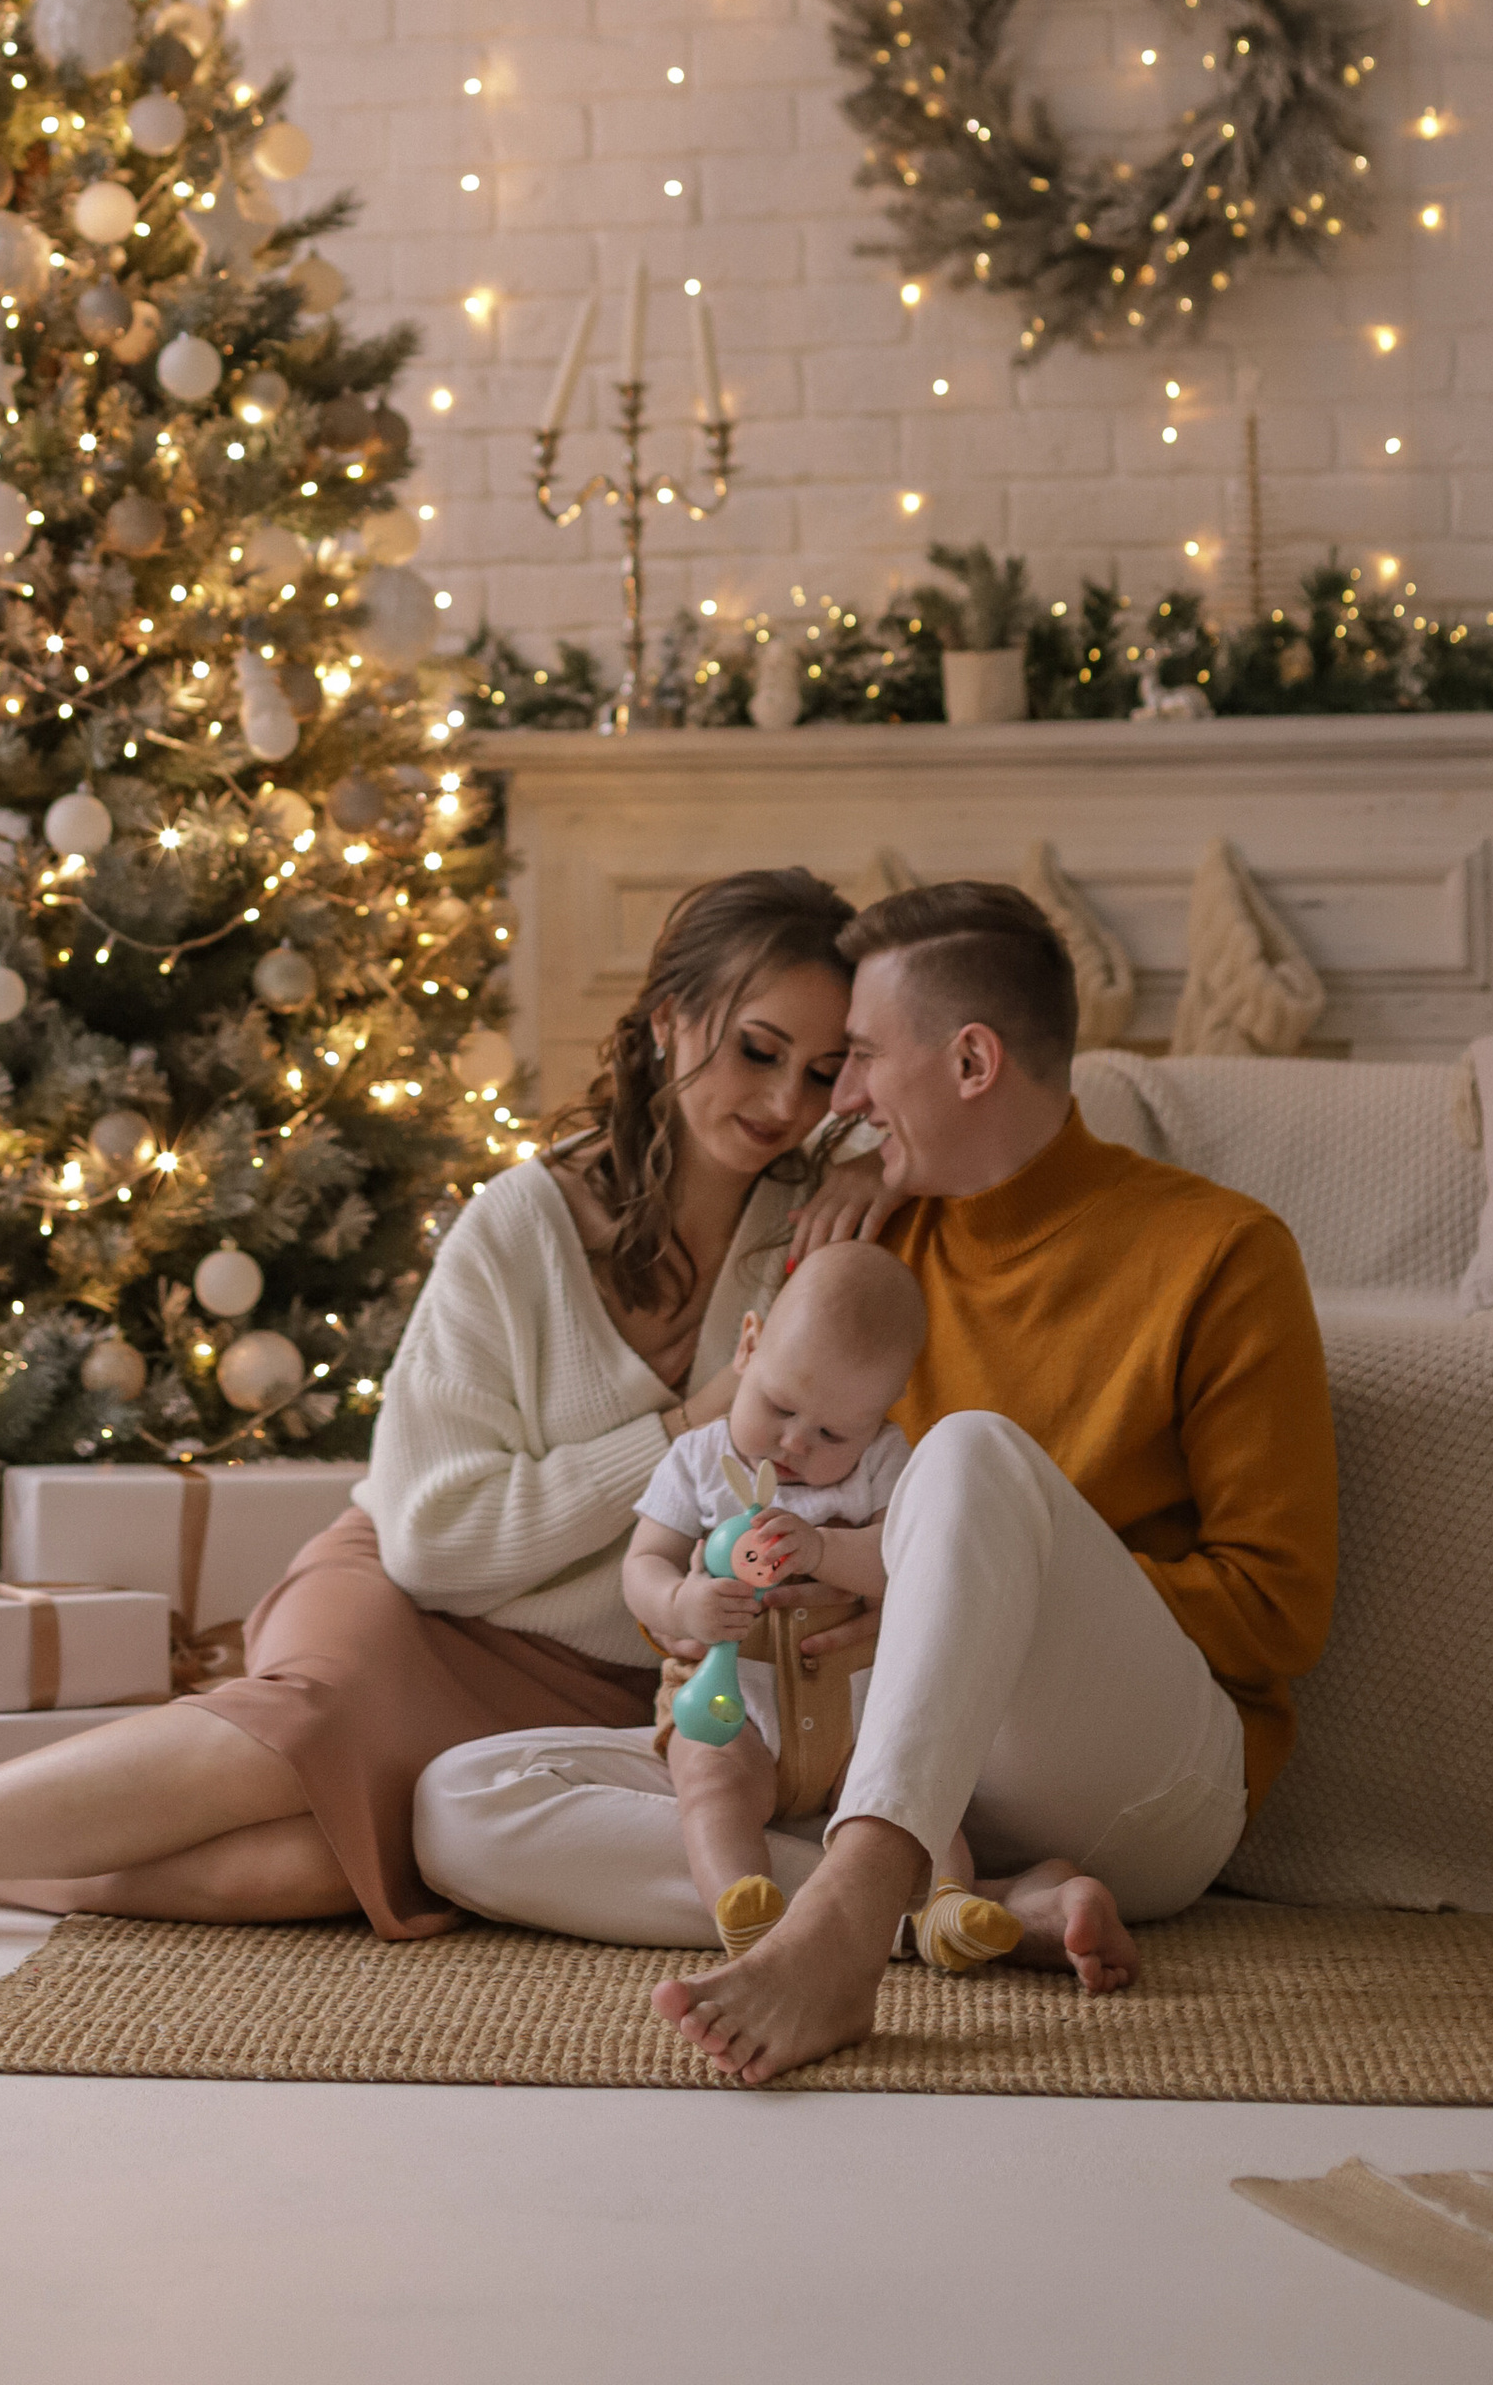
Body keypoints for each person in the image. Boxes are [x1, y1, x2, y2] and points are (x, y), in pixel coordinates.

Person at [0, 864, 880, 1954]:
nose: (781, 1104)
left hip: (605, 1680)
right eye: (756, 1049)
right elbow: (437, 1537)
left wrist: (880, 1167)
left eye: (824, 1074)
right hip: (410, 1603)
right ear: (668, 1024)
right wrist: (680, 1424)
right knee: (304, 1729)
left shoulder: (811, 1249)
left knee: (316, 1875)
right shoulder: (520, 1226)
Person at [412, 877, 1339, 2085]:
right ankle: (971, 1912)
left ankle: (846, 1928)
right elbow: (728, 1469)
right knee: (465, 1801)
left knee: (964, 1453)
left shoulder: (1220, 1252)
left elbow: (1279, 1613)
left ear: (969, 1061)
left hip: (1136, 1781)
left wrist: (951, 1594)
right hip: (866, 1768)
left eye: (857, 1060)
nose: (831, 1103)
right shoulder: (850, 1256)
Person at [625, 1241, 1020, 1975]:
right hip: (728, 1700)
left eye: (833, 1432)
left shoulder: (883, 1463)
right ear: (747, 1347)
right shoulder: (697, 1460)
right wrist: (680, 1601)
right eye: (780, 1407)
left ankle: (945, 1904)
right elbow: (642, 1564)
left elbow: (912, 1565)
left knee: (915, 1793)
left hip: (858, 1713)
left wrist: (822, 1552)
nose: (796, 1443)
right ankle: (743, 1908)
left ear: (879, 1416)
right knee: (710, 1784)